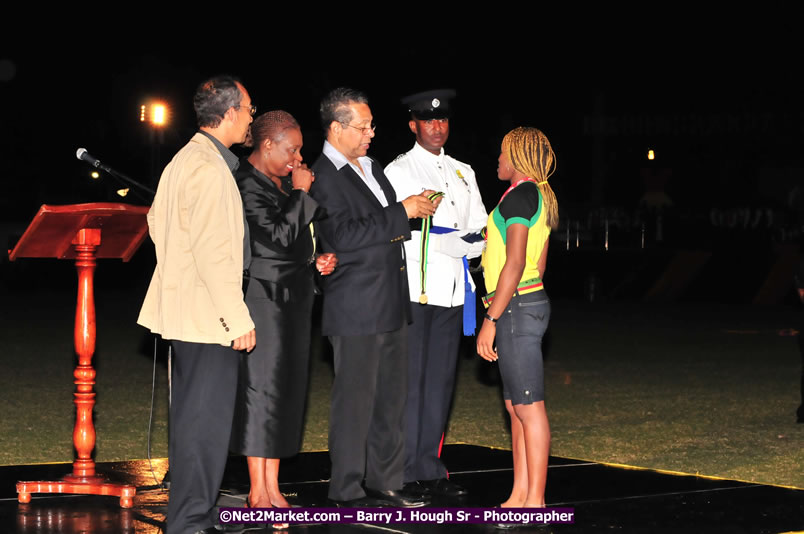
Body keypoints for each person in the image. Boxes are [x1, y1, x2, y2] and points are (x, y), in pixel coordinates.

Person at [137, 75, 256, 534]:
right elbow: (212, 251)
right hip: (209, 318)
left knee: (198, 424)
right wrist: (235, 317)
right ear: (228, 114)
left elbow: (155, 221)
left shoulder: (186, 159)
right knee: (204, 428)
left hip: (193, 313)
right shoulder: (207, 168)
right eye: (247, 110)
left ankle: (197, 512)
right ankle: (190, 521)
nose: (250, 118)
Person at [310, 87, 438, 508]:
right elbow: (341, 236)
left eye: (371, 125)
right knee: (355, 403)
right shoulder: (322, 177)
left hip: (390, 301)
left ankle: (386, 482)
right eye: (363, 127)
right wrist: (403, 211)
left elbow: (381, 227)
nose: (371, 134)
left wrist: (406, 213)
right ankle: (346, 490)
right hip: (355, 307)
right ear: (336, 127)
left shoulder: (371, 165)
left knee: (390, 400)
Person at [229, 110, 336, 510]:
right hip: (264, 301)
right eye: (291, 149)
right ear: (267, 144)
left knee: (285, 393)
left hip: (293, 302)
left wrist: (316, 259)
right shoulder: (245, 184)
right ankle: (258, 491)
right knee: (262, 391)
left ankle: (272, 486)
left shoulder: (276, 185)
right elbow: (274, 239)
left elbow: (298, 236)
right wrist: (301, 192)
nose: (296, 158)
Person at [385, 89, 487, 498]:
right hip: (414, 286)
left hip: (452, 288)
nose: (436, 126)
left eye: (443, 120)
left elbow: (479, 219)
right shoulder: (399, 170)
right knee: (409, 380)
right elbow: (390, 224)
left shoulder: (463, 171)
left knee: (441, 380)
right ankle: (403, 467)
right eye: (428, 120)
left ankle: (429, 463)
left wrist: (472, 244)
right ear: (413, 124)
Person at [476, 127, 558, 511]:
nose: (498, 159)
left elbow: (516, 262)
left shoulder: (519, 197)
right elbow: (538, 265)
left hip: (515, 307)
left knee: (528, 406)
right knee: (516, 407)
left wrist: (492, 317)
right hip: (526, 302)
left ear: (518, 158)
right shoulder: (533, 196)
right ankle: (519, 494)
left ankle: (535, 500)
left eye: (503, 152)